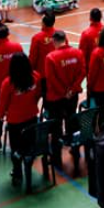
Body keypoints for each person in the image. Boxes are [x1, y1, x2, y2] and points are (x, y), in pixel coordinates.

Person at [43, 30, 86, 168]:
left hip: (56, 98)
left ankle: (56, 159)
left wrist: (63, 92)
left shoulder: (51, 57)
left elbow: (51, 79)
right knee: (71, 120)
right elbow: (82, 72)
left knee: (56, 128)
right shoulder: (78, 53)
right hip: (72, 96)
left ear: (54, 41)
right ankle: (75, 149)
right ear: (66, 39)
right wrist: (72, 90)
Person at [0, 52, 43, 184]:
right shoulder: (35, 77)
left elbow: (2, 104)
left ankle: (18, 173)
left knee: (16, 149)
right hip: (31, 118)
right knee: (29, 145)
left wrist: (1, 115)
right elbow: (38, 94)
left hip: (15, 122)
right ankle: (28, 166)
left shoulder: (8, 83)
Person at [29, 13, 58, 82]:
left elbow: (33, 57)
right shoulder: (60, 34)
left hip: (42, 74)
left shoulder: (37, 38)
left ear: (43, 23)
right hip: (57, 72)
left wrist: (30, 71)